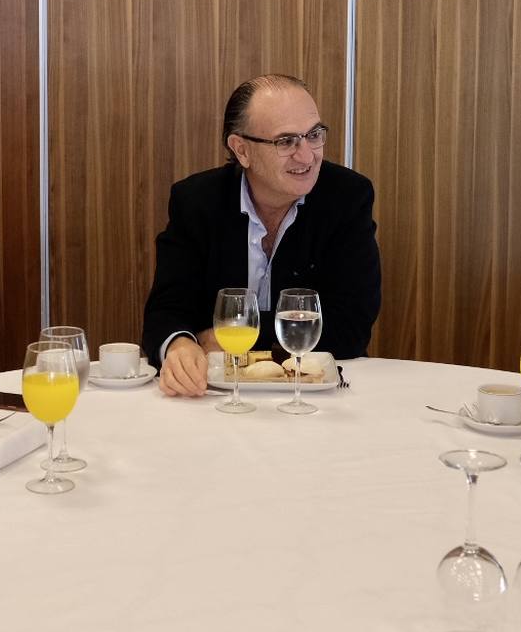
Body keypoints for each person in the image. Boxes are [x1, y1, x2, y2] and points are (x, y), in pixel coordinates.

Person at [142, 74, 381, 397]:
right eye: (286, 141)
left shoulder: (347, 197)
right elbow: (166, 310)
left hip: (315, 395)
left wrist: (233, 334)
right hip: (216, 395)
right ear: (241, 150)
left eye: (314, 135)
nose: (307, 156)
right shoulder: (197, 201)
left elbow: (351, 325)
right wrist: (180, 343)